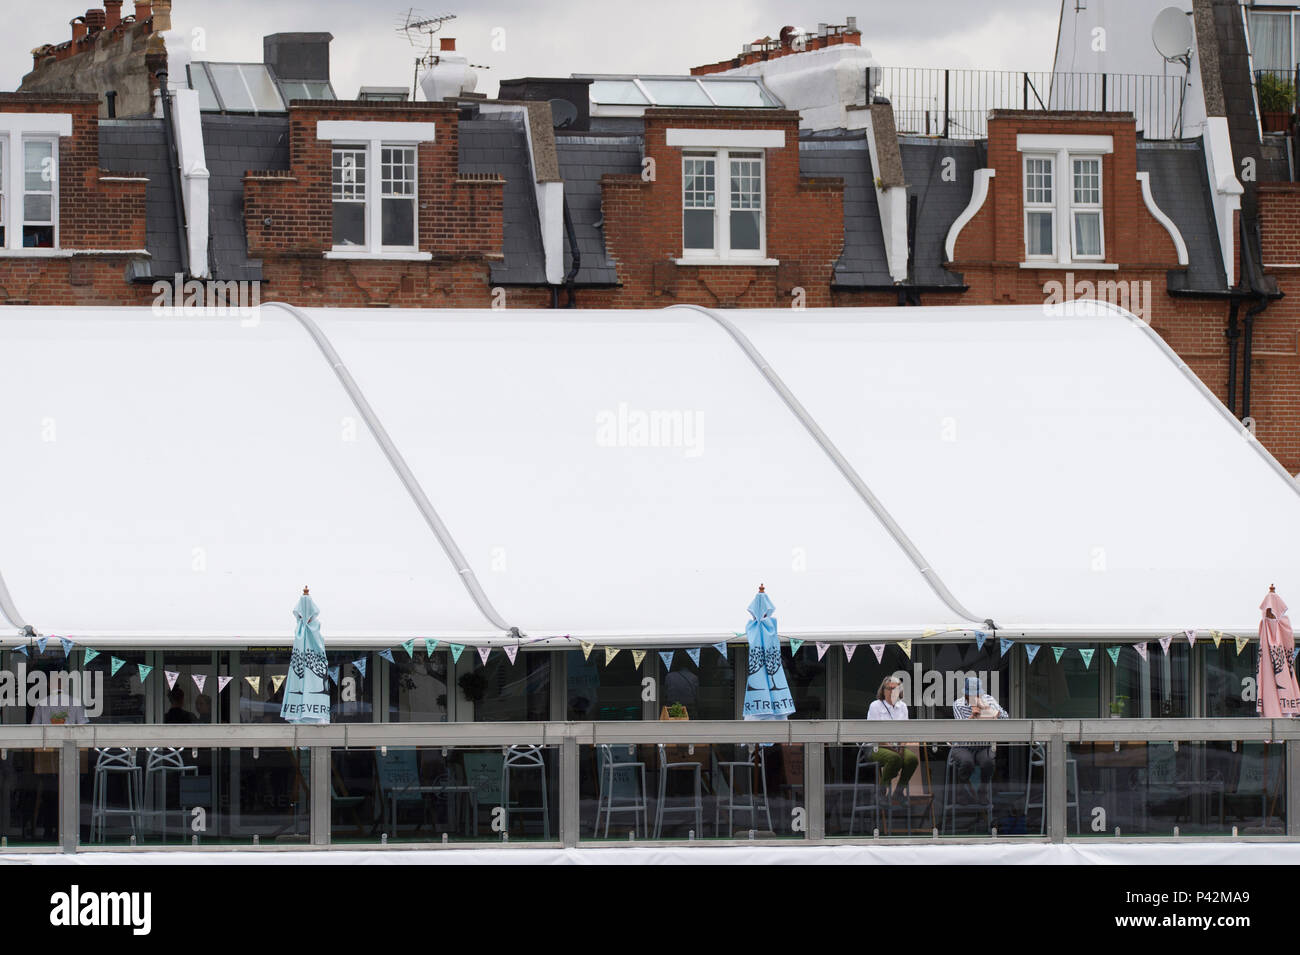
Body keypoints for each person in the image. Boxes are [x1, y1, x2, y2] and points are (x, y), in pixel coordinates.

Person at [866, 676, 919, 799]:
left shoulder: (903, 707)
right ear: (883, 690)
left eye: (895, 689)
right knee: (895, 758)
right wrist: (896, 751)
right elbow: (875, 736)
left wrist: (900, 749)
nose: (892, 692)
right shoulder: (875, 706)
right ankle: (881, 791)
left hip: (896, 747)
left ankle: (899, 792)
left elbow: (904, 733)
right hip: (875, 747)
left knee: (912, 759)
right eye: (889, 689)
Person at [950, 676, 1007, 786]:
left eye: (976, 694)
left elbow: (1005, 718)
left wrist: (986, 709)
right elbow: (961, 729)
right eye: (970, 695)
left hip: (984, 745)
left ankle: (983, 790)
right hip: (963, 746)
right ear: (965, 694)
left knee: (988, 762)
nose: (973, 697)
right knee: (967, 763)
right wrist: (972, 716)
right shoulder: (958, 704)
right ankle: (962, 791)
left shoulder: (989, 700)